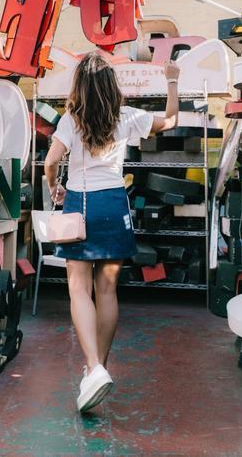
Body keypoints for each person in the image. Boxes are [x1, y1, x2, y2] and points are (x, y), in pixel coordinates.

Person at [44, 52, 180, 412]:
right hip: (115, 205)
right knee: (107, 290)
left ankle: (94, 368)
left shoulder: (70, 121)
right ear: (109, 85)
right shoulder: (126, 117)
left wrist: (55, 186)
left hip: (80, 205)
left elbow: (50, 161)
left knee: (78, 288)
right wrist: (172, 80)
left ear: (80, 87)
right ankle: (96, 369)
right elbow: (170, 120)